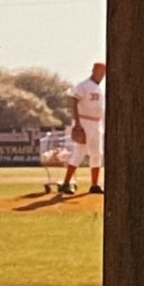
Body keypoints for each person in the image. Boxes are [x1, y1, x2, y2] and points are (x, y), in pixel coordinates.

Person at [58, 62, 105, 195]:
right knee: (79, 152)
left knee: (97, 154)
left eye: (103, 72)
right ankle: (66, 183)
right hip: (84, 121)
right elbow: (74, 101)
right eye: (100, 71)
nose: (102, 74)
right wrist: (77, 123)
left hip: (96, 123)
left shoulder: (99, 88)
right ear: (94, 70)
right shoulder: (84, 85)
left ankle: (94, 185)